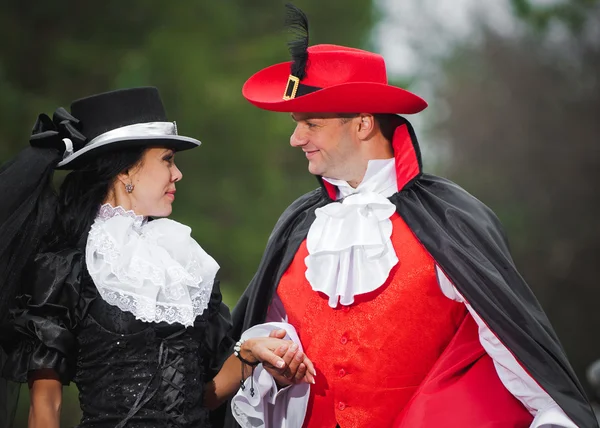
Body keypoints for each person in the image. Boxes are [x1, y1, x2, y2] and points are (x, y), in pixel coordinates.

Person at [224, 5, 599, 428]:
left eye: (310, 123)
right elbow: (251, 343)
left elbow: (516, 353)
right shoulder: (296, 226)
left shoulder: (451, 220)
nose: (296, 138)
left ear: (363, 124)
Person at [0, 87, 314, 428]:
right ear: (125, 170)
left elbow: (204, 397)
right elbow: (45, 409)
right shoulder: (67, 269)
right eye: (167, 159)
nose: (177, 173)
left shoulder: (185, 260)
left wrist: (248, 356)